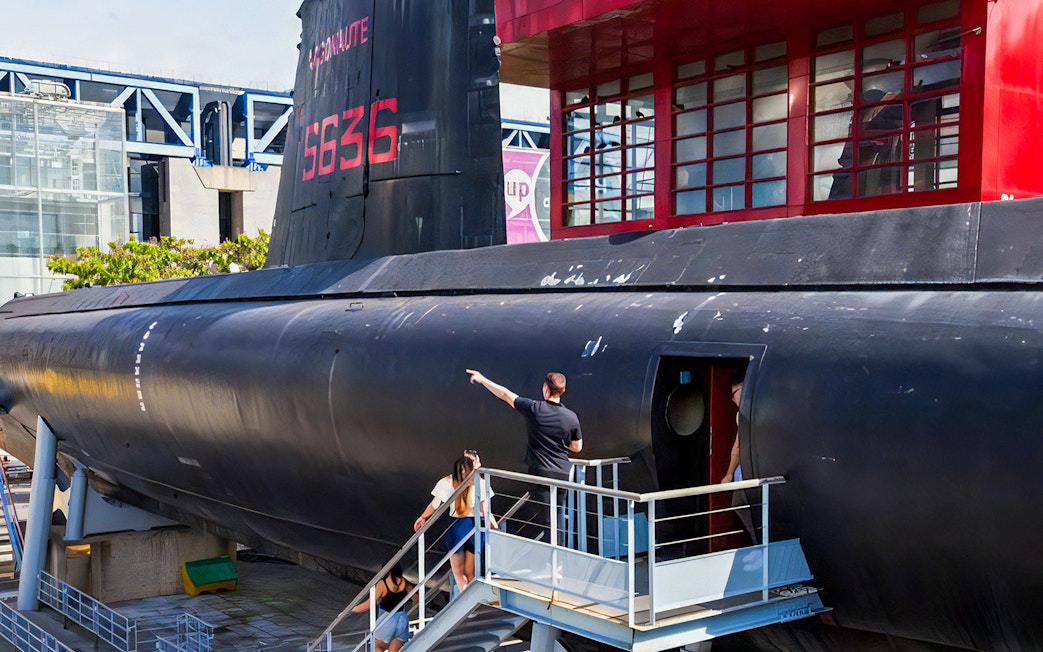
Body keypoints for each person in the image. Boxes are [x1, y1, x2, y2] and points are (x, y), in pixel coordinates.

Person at [466, 369, 582, 540]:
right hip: (563, 472)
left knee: (548, 519)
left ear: (545, 388)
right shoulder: (571, 417)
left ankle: (556, 560)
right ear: (562, 391)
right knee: (557, 513)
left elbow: (506, 395)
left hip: (541, 471)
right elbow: (577, 447)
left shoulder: (535, 409)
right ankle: (559, 556)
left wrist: (483, 379)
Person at [721, 381, 757, 544]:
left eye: (733, 393)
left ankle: (759, 546)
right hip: (745, 472)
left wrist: (729, 474)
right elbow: (738, 445)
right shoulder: (741, 414)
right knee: (741, 505)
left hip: (754, 470)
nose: (732, 399)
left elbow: (738, 446)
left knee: (747, 506)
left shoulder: (750, 411)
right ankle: (756, 545)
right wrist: (729, 474)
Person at [351, 562, 415, 652]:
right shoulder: (405, 582)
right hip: (402, 619)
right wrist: (414, 607)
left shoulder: (383, 583)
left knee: (376, 646)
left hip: (387, 620)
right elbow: (417, 598)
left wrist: (353, 609)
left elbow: (369, 603)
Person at [413, 449, 481, 532]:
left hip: (459, 523)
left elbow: (435, 504)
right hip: (475, 523)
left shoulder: (447, 481)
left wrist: (423, 517)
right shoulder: (481, 482)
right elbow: (485, 508)